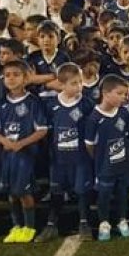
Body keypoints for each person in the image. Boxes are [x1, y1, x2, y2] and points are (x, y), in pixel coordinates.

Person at [0, 60, 48, 244]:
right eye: (7, 75)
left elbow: (42, 130)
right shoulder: (1, 104)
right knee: (11, 192)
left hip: (25, 156)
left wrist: (22, 143)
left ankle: (30, 227)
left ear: (26, 78)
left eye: (16, 75)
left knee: (24, 192)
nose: (11, 78)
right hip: (7, 155)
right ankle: (16, 226)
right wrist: (4, 141)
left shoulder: (33, 102)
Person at [42, 62, 95, 241]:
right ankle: (51, 225)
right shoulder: (51, 105)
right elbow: (49, 130)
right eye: (73, 83)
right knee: (56, 191)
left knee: (81, 191)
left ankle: (84, 223)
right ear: (61, 85)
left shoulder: (87, 104)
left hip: (80, 158)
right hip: (59, 158)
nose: (79, 86)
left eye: (80, 82)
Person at [84, 75, 129, 241]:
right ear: (105, 94)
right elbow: (89, 145)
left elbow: (126, 134)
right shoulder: (94, 118)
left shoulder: (123, 113)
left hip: (123, 163)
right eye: (120, 94)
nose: (123, 98)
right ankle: (104, 223)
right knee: (104, 194)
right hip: (104, 166)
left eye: (125, 94)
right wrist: (101, 159)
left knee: (122, 193)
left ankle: (122, 220)